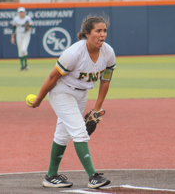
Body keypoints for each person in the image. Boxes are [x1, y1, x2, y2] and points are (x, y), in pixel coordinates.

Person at [27, 15, 116, 189]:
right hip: (61, 92)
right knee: (79, 131)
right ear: (86, 33)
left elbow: (106, 79)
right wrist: (39, 99)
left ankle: (51, 176)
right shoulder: (74, 53)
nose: (102, 34)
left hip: (82, 94)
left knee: (63, 134)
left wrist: (97, 108)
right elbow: (53, 77)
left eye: (104, 30)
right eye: (98, 31)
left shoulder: (108, 52)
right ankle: (93, 176)